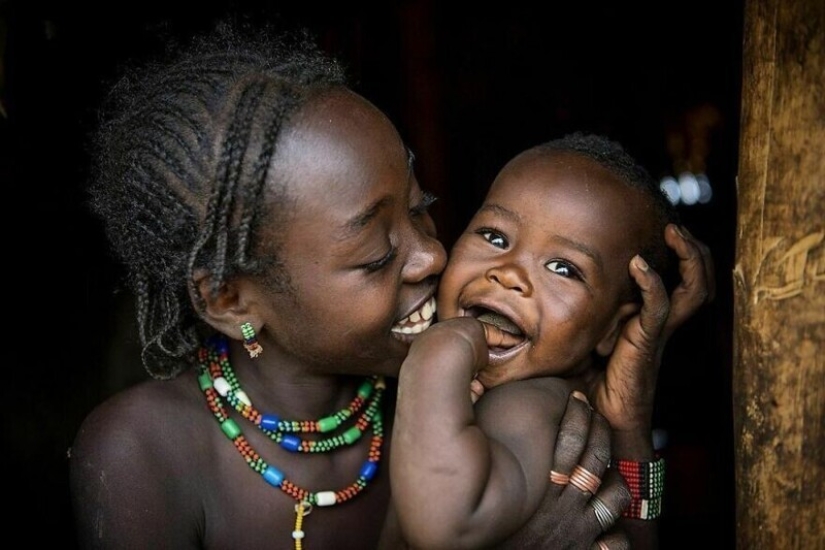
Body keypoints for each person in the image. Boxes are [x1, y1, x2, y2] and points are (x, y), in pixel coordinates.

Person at [69, 20, 713, 550]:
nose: (432, 255)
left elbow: (638, 522)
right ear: (230, 300)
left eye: (421, 204)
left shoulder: (473, 392)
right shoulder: (136, 454)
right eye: (377, 256)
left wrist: (631, 418)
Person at [390, 132, 713, 549]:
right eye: (494, 237)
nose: (508, 274)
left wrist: (437, 353)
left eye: (562, 267)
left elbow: (442, 525)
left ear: (612, 330)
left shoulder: (526, 404)